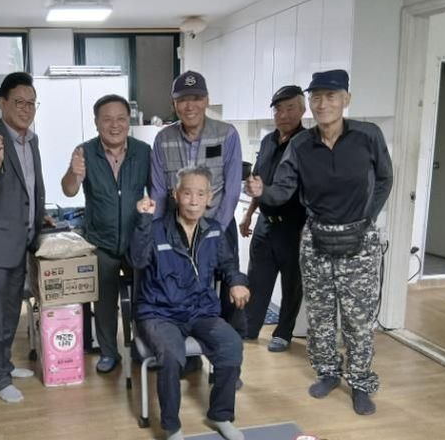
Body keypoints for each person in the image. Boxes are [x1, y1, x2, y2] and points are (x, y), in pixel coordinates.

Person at [245, 69, 393, 415]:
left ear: (346, 99)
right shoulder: (301, 144)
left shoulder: (368, 135)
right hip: (316, 239)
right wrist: (263, 191)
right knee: (321, 315)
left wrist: (367, 217)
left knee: (358, 319)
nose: (323, 104)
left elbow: (385, 178)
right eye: (317, 97)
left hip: (359, 240)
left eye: (331, 96)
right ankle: (327, 372)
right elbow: (284, 190)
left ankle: (360, 383)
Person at [129, 166, 250, 440]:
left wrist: (236, 281)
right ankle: (172, 426)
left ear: (209, 198)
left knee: (231, 344)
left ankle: (221, 415)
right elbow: (137, 260)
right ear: (175, 194)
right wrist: (143, 220)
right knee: (172, 355)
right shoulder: (156, 229)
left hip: (200, 311)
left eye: (200, 194)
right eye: (187, 193)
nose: (193, 201)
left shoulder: (214, 231)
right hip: (159, 313)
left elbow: (228, 264)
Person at [150, 70, 245, 340]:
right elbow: (158, 191)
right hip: (178, 230)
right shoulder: (163, 138)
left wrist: (215, 230)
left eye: (196, 98)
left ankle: (227, 348)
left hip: (219, 225)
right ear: (174, 104)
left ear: (206, 101)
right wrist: (157, 233)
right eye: (182, 100)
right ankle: (183, 345)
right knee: (181, 287)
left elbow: (232, 189)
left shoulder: (227, 134)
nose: (189, 105)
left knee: (228, 286)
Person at [61, 94, 150, 373]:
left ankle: (144, 347)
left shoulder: (143, 151)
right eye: (107, 119)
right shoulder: (85, 152)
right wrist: (74, 172)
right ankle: (109, 353)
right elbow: (69, 190)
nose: (115, 125)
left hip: (136, 240)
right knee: (104, 302)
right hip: (100, 241)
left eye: (121, 119)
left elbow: (156, 191)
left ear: (128, 122)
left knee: (146, 297)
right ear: (96, 122)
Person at [0, 72, 45, 403]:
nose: (26, 109)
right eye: (19, 102)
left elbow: (31, 187)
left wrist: (39, 215)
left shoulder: (32, 140)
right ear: (2, 103)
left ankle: (5, 364)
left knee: (13, 310)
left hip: (23, 239)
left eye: (31, 103)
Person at [238, 85, 307, 350]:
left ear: (302, 110)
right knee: (257, 280)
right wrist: (248, 215)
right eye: (279, 109)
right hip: (265, 225)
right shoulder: (268, 141)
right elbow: (259, 181)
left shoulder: (307, 143)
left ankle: (283, 333)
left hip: (294, 227)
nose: (284, 114)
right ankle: (250, 326)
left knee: (291, 283)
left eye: (290, 108)